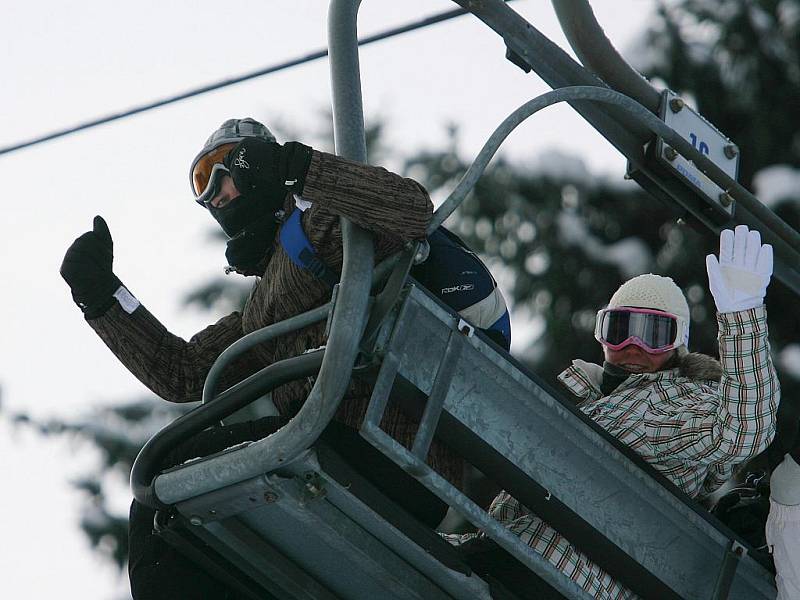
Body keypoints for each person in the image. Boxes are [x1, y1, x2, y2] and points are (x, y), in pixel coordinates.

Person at [60, 117, 510, 599]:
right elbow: (185, 372)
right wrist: (104, 298)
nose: (210, 193)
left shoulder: (324, 221)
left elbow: (409, 208)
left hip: (386, 451)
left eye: (217, 170)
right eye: (199, 184)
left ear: (251, 162)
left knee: (168, 479)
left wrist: (298, 167)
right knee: (166, 500)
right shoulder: (262, 302)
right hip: (327, 447)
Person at [445, 225, 779, 599]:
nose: (633, 347)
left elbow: (745, 428)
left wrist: (742, 316)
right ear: (602, 336)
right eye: (620, 329)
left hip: (565, 580)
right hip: (508, 560)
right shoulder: (577, 400)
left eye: (653, 334)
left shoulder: (680, 403)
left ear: (677, 346)